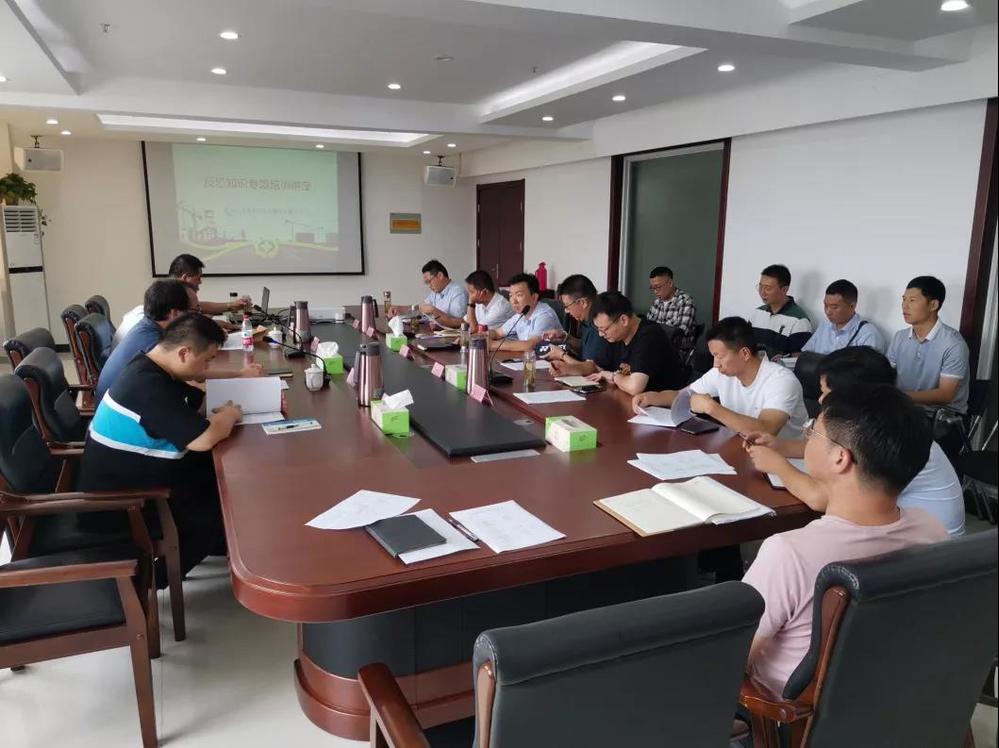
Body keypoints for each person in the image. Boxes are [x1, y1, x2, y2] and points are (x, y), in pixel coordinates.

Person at [742, 384, 948, 696]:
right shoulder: (932, 530)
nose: (807, 436)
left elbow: (730, 657)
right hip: (890, 701)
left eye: (813, 431)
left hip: (786, 715)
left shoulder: (789, 553)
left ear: (841, 458)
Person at [79, 313, 244, 582]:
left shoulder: (148, 366)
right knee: (214, 514)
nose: (206, 369)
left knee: (221, 481)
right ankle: (151, 581)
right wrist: (229, 415)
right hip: (122, 504)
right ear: (184, 353)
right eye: (207, 360)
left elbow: (194, 405)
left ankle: (219, 543)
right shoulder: (148, 386)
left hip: (136, 477)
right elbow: (204, 439)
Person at [745, 346, 966, 536]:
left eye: (825, 393)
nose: (820, 400)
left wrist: (778, 465)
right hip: (913, 536)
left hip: (924, 551)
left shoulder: (884, 435)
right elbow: (831, 450)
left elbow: (820, 498)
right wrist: (779, 446)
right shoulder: (886, 422)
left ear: (852, 396)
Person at [634, 316, 808, 439]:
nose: (715, 364)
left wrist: (712, 408)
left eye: (719, 356)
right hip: (742, 449)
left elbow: (766, 431)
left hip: (785, 461)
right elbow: (684, 395)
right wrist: (652, 397)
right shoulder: (722, 373)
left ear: (744, 353)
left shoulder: (781, 381)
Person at [98, 281, 263, 403]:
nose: (198, 316)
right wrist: (240, 375)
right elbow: (195, 378)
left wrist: (240, 375)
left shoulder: (149, 328)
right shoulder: (154, 344)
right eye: (195, 310)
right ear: (175, 313)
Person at [887, 275, 969, 414]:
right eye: (904, 299)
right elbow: (886, 373)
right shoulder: (900, 337)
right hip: (905, 409)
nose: (905, 306)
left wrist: (897, 397)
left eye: (912, 300)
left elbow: (945, 395)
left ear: (933, 305)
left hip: (940, 416)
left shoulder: (953, 344)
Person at [584, 291, 687, 395]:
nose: (601, 334)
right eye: (598, 329)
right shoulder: (615, 336)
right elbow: (598, 367)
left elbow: (634, 387)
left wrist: (613, 376)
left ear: (623, 320)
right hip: (630, 399)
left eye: (603, 329)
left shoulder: (650, 336)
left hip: (663, 402)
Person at [544, 274, 613, 377]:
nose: (566, 311)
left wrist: (562, 355)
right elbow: (586, 347)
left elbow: (591, 369)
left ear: (582, 302)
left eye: (567, 306)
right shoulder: (586, 319)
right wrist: (566, 338)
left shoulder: (600, 324)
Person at [801, 279, 885, 354]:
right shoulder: (825, 325)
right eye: (825, 305)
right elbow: (805, 355)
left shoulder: (867, 335)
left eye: (834, 307)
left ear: (852, 306)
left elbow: (868, 366)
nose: (828, 312)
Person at [485, 273, 563, 353]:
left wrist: (492, 345)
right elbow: (497, 333)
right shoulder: (520, 314)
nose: (513, 301)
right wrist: (482, 336)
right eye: (511, 295)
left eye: (519, 295)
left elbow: (530, 345)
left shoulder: (545, 316)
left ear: (534, 297)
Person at [749, 264, 812, 357]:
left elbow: (798, 359)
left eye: (768, 288)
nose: (762, 292)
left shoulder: (799, 321)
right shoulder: (757, 313)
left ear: (784, 289)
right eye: (760, 287)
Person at [390, 259, 469, 327]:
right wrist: (400, 309)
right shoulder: (436, 292)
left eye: (429, 281)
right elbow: (420, 308)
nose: (429, 286)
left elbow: (460, 323)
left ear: (440, 275)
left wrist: (434, 310)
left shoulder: (458, 292)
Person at [645, 266, 697, 355]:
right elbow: (647, 326)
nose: (655, 291)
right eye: (652, 288)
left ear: (670, 283)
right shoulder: (657, 302)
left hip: (677, 352)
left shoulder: (685, 302)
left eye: (658, 287)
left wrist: (654, 332)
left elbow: (678, 334)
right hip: (655, 348)